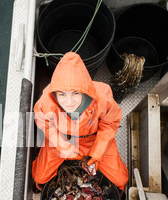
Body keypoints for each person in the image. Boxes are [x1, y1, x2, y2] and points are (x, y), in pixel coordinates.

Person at [32, 52, 128, 192]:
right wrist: (62, 146)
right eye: (62, 94)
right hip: (62, 139)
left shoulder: (103, 97)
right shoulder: (45, 102)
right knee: (40, 178)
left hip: (94, 140)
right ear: (55, 93)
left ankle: (118, 193)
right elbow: (46, 126)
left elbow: (109, 124)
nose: (69, 102)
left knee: (120, 179)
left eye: (76, 93)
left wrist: (97, 152)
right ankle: (41, 188)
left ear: (84, 90)